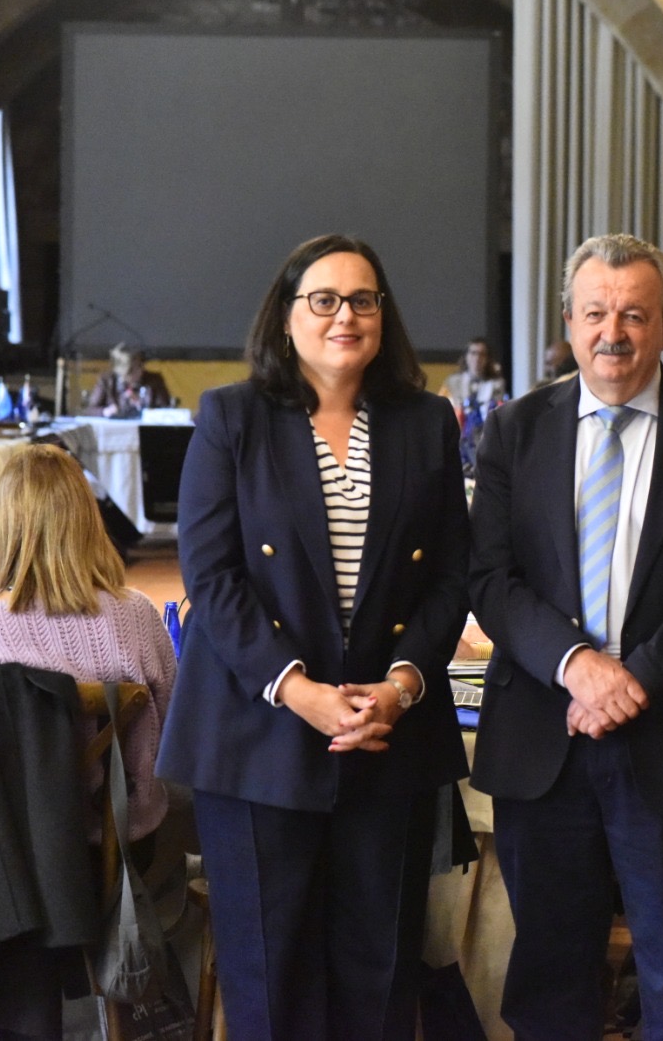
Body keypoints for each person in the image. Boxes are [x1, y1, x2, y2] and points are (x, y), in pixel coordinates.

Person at [154, 235, 469, 1040]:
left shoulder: (425, 421)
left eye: (363, 299)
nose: (344, 316)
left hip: (384, 735)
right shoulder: (234, 417)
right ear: (286, 314)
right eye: (323, 299)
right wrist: (301, 691)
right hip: (260, 737)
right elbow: (213, 578)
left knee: (382, 976)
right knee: (271, 976)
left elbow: (452, 576)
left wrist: (398, 689)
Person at [468, 233, 663, 1038]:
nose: (614, 333)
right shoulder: (514, 431)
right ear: (568, 322)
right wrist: (577, 668)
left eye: (634, 314)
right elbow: (490, 578)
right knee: (549, 976)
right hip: (544, 740)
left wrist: (628, 679)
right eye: (596, 313)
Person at [0, 442, 177, 841]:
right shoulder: (137, 616)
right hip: (114, 844)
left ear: (3, 527)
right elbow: (171, 730)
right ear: (89, 522)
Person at [86, 342, 171, 417]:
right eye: (126, 373)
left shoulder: (155, 380)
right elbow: (90, 410)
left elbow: (166, 411)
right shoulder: (106, 381)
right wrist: (105, 411)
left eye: (139, 367)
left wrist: (141, 405)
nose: (127, 377)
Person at [439, 337, 507, 414]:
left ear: (488, 359)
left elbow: (499, 411)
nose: (477, 358)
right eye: (473, 353)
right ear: (466, 356)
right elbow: (442, 408)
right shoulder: (453, 382)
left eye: (482, 354)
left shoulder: (497, 384)